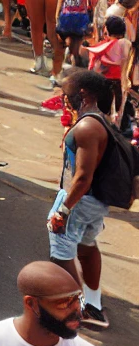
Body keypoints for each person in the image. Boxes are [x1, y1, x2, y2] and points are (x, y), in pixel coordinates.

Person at [49, 71, 127, 331]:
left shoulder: (88, 127)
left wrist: (62, 209)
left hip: (81, 200)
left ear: (83, 94)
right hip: (93, 202)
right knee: (86, 246)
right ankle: (92, 304)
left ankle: (77, 308)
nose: (64, 100)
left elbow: (82, 177)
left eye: (66, 94)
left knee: (61, 253)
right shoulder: (98, 121)